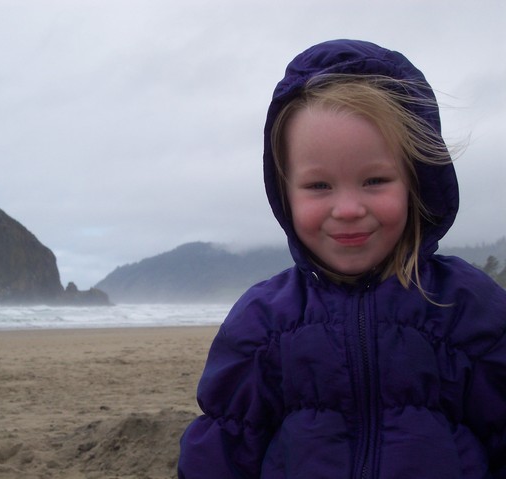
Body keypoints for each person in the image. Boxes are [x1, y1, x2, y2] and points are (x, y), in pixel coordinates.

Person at [178, 39, 506, 478]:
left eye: (374, 180)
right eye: (319, 186)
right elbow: (225, 443)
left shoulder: (468, 306)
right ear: (285, 191)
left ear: (416, 181)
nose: (348, 208)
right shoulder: (260, 322)